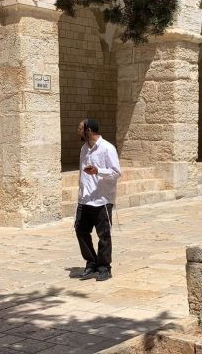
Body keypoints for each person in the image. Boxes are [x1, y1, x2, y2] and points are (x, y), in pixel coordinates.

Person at [75, 119, 121, 282]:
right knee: (80, 231)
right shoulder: (84, 149)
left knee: (103, 235)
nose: (78, 131)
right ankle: (91, 262)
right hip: (85, 199)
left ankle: (104, 268)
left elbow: (116, 172)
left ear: (88, 130)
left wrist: (98, 171)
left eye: (81, 128)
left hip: (102, 199)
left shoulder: (107, 148)